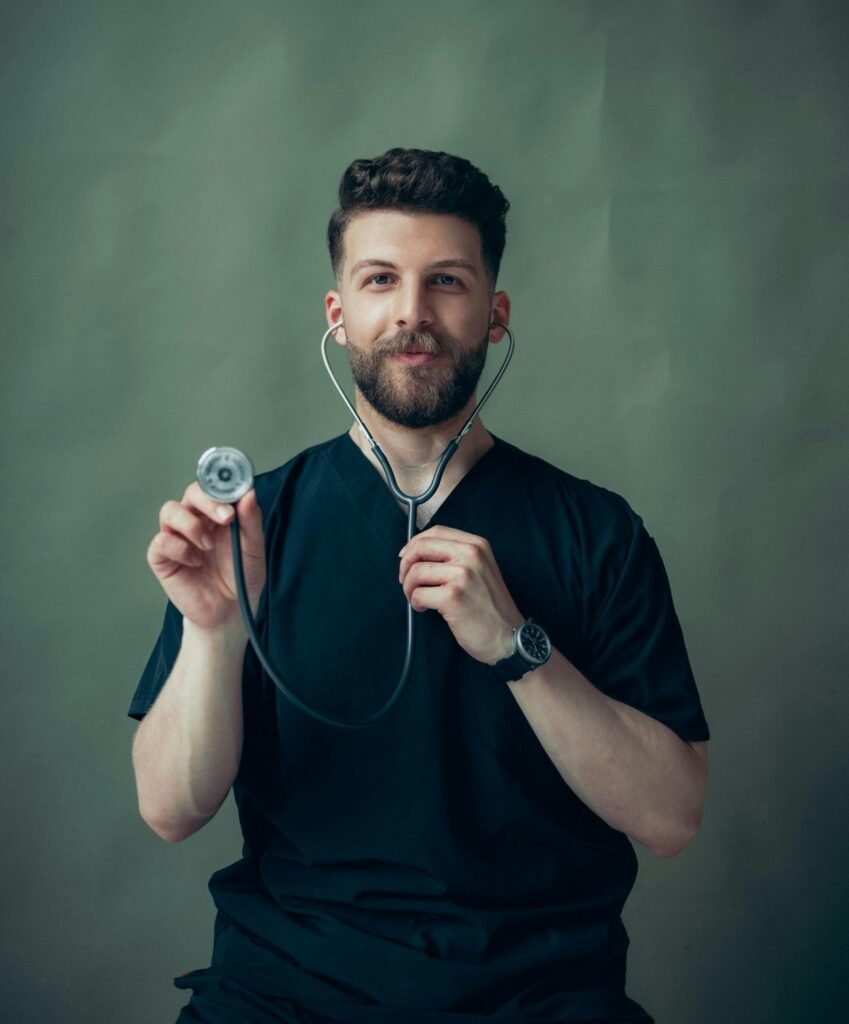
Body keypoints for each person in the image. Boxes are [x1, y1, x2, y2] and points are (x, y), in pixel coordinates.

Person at [130, 148, 710, 1024]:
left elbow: (671, 816)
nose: (411, 313)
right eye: (378, 280)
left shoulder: (597, 533)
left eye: (445, 281)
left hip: (536, 999)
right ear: (337, 313)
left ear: (493, 314)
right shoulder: (250, 529)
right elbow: (171, 810)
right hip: (283, 996)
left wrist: (519, 648)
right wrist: (214, 627)